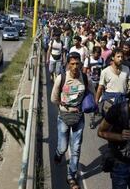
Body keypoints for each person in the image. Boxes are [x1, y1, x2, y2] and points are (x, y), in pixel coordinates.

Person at [50, 52, 87, 189]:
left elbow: (92, 95)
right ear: (68, 65)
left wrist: (88, 106)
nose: (75, 66)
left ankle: (71, 177)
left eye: (77, 63)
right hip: (64, 117)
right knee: (63, 147)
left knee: (76, 149)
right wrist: (65, 105)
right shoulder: (61, 78)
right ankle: (58, 155)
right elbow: (53, 99)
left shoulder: (84, 78)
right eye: (72, 64)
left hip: (79, 117)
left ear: (81, 64)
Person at [96, 48, 130, 116]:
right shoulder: (105, 71)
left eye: (122, 57)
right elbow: (100, 87)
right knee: (107, 122)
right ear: (112, 57)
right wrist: (96, 102)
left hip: (122, 100)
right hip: (109, 100)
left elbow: (128, 84)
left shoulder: (126, 69)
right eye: (118, 57)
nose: (120, 59)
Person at [83, 46, 104, 129]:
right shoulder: (88, 60)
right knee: (93, 101)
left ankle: (98, 110)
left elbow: (103, 70)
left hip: (100, 83)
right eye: (96, 53)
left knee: (100, 100)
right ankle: (92, 120)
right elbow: (84, 72)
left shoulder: (101, 60)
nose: (98, 55)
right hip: (90, 83)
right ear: (93, 53)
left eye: (99, 54)